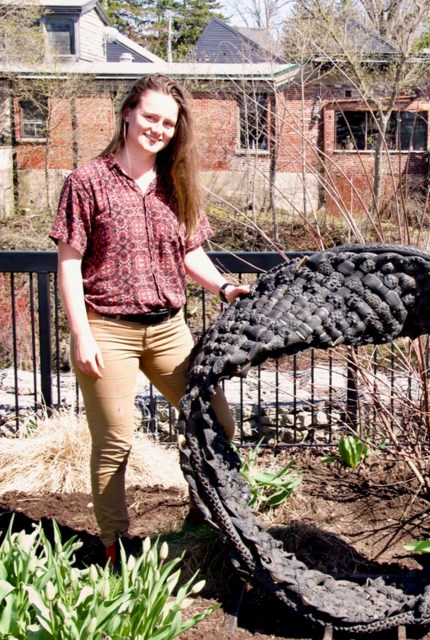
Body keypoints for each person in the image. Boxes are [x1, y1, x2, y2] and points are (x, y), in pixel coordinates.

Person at [49, 73, 250, 567]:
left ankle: (206, 515)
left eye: (168, 122)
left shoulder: (176, 183)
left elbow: (191, 252)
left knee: (216, 421)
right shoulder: (86, 181)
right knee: (115, 440)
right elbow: (69, 262)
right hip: (108, 330)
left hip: (168, 329)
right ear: (127, 114)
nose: (158, 129)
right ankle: (114, 545)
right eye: (150, 117)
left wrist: (223, 286)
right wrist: (81, 334)